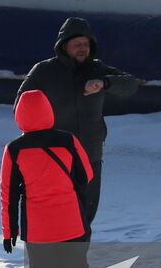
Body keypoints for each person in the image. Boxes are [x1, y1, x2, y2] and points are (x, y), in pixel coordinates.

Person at [16, 17, 139, 230]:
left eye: (86, 44)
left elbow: (131, 85)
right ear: (64, 46)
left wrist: (104, 83)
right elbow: (20, 106)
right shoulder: (44, 71)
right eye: (77, 44)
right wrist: (39, 136)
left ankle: (76, 262)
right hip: (55, 157)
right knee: (57, 214)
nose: (83, 48)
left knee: (84, 217)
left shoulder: (97, 69)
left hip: (90, 156)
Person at [0, 89, 94, 268]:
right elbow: (86, 174)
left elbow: (8, 193)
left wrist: (9, 231)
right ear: (49, 111)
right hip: (73, 224)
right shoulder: (68, 141)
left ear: (19, 115)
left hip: (38, 230)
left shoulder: (14, 149)